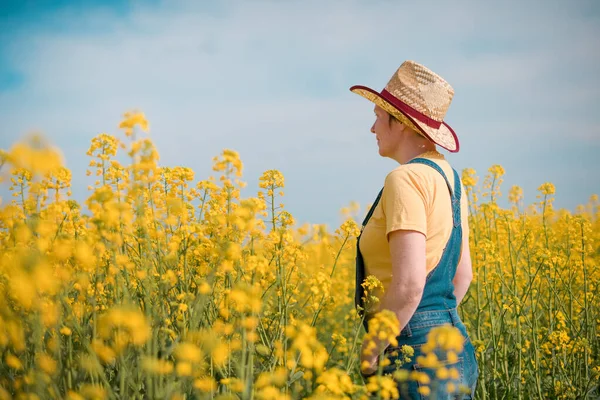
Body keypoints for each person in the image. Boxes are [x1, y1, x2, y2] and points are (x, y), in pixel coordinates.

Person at [350, 60, 479, 399]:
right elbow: (461, 276)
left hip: (413, 351)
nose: (373, 128)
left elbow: (409, 285)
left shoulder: (404, 179)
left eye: (379, 117)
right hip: (453, 342)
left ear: (403, 125)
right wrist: (435, 323)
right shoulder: (450, 180)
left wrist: (373, 348)